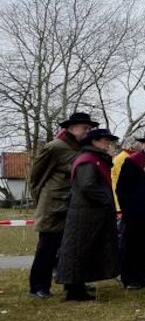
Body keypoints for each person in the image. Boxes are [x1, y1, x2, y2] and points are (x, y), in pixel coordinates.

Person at [28, 111, 96, 300]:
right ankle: (38, 286)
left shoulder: (83, 148)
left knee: (73, 249)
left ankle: (73, 285)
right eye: (85, 128)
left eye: (89, 128)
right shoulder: (55, 147)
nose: (88, 131)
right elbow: (36, 177)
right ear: (72, 128)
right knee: (47, 249)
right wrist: (41, 200)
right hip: (54, 207)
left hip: (74, 206)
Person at [56, 127, 120, 301]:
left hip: (90, 212)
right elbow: (87, 185)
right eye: (105, 140)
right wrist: (107, 199)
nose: (108, 143)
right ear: (94, 141)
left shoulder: (93, 158)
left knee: (85, 251)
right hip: (85, 213)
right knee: (78, 251)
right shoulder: (88, 160)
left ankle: (79, 285)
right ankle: (75, 291)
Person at [112, 135, 145, 290]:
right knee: (132, 245)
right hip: (135, 211)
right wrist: (127, 209)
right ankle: (130, 278)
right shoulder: (133, 161)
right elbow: (121, 188)